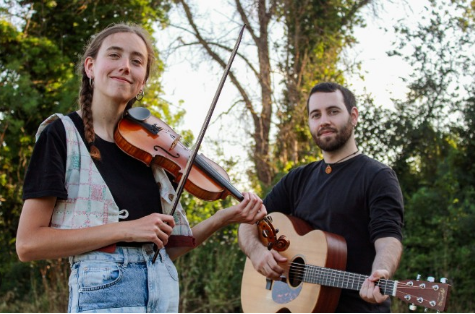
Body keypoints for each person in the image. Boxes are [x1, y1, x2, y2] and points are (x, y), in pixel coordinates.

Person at [16, 22, 266, 313]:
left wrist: (224, 217)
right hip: (103, 293)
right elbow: (29, 244)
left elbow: (170, 248)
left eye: (136, 61)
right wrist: (127, 229)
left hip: (163, 292)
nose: (125, 66)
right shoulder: (61, 134)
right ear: (90, 66)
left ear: (143, 80)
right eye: (114, 55)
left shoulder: (152, 150)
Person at [238, 82, 404, 312]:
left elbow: (388, 237)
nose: (324, 120)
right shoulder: (298, 178)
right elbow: (249, 220)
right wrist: (257, 252)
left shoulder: (377, 176)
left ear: (353, 116)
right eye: (315, 115)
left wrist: (382, 271)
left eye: (333, 111)